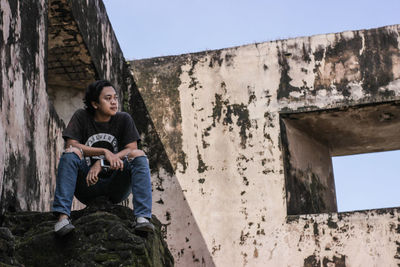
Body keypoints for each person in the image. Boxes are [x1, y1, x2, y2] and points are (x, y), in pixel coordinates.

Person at [52, 80, 154, 236]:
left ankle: (142, 218)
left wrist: (101, 162)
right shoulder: (81, 117)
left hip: (116, 185)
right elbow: (71, 145)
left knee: (138, 155)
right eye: (108, 98)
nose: (114, 102)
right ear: (95, 104)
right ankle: (62, 219)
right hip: (87, 185)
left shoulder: (124, 119)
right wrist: (104, 151)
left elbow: (131, 149)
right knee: (70, 153)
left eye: (115, 98)